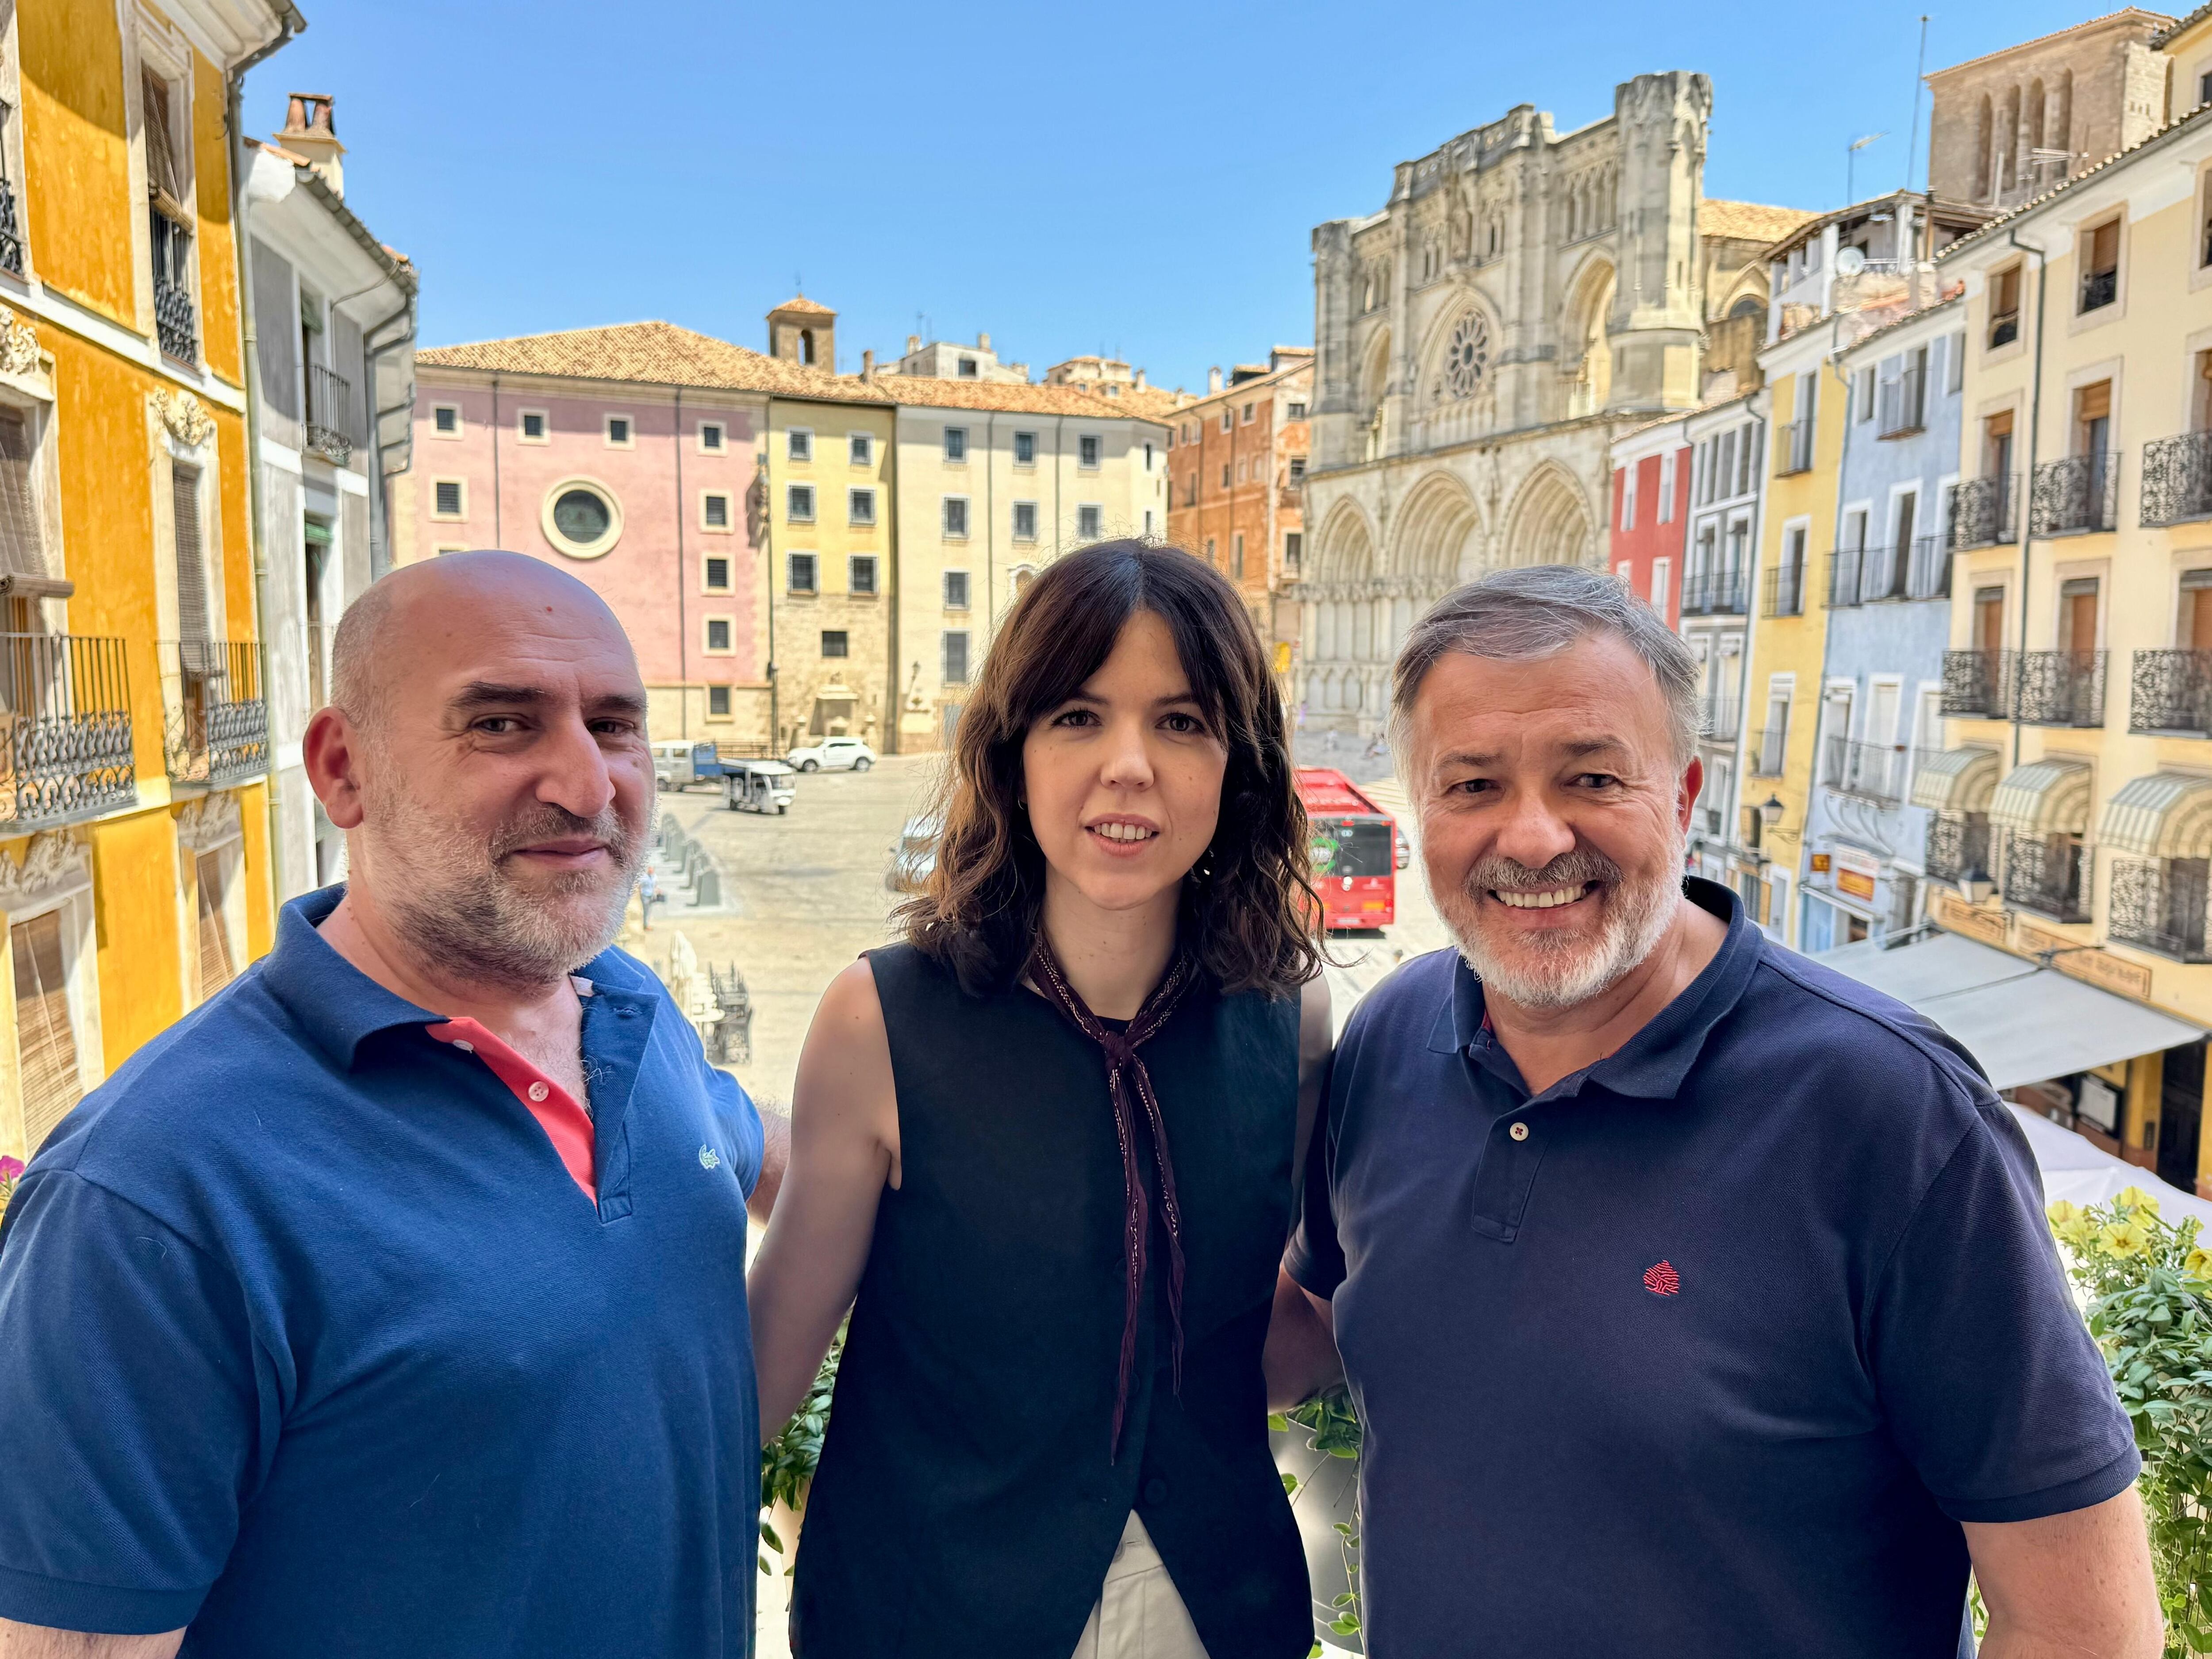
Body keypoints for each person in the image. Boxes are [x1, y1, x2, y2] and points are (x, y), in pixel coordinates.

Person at [1266, 565, 2162, 1659]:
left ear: (1685, 799)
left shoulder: (1891, 1113)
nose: (1536, 837)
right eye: (1472, 785)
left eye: (1592, 776)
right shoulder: (1392, 1034)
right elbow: (1303, 1331)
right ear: (1423, 815)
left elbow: (2085, 1626)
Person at [0, 551, 787, 1658]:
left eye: (614, 725)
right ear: (342, 768)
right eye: (504, 724)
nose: (588, 782)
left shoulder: (630, 1010)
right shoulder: (150, 1195)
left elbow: (766, 1153)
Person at [748, 540, 1331, 1659]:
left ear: (1236, 764)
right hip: (929, 1606)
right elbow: (770, 1358)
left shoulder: (1291, 1023)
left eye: (1181, 720)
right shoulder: (880, 1019)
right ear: (1011, 752)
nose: (1128, 765)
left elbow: (1259, 1335)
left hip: (1215, 1609)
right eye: (1075, 715)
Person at [639, 861, 662, 931]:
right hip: (645, 895)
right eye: (649, 869)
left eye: (651, 869)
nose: (650, 870)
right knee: (646, 910)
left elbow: (656, 885)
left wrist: (658, 890)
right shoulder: (645, 877)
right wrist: (641, 893)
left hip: (651, 895)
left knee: (649, 910)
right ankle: (646, 925)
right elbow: (640, 885)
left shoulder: (655, 877)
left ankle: (647, 924)